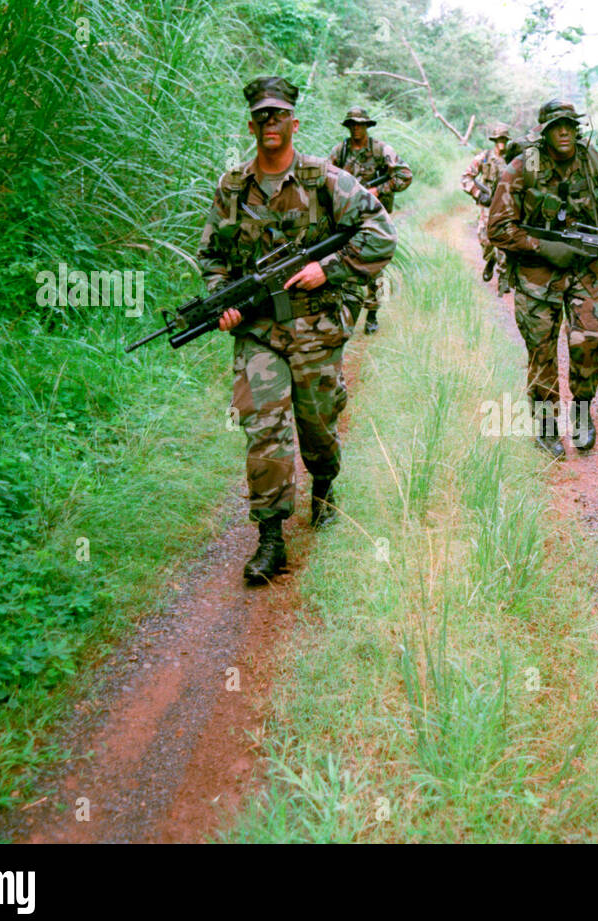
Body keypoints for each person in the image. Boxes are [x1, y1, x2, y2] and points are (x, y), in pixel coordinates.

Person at [198, 77, 396, 584]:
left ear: (294, 123)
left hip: (316, 326)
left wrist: (330, 269)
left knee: (318, 427)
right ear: (251, 125)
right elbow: (213, 258)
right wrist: (227, 301)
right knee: (264, 431)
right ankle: (270, 539)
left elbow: (380, 234)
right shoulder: (232, 187)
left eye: (278, 115)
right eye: (261, 117)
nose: (270, 124)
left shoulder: (324, 180)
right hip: (260, 332)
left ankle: (324, 488)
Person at [487, 100, 598, 457]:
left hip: (585, 269)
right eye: (556, 125)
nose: (564, 131)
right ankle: (547, 426)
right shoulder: (523, 168)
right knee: (542, 352)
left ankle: (581, 413)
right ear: (544, 130)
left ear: (577, 128)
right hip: (537, 276)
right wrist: (543, 247)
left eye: (569, 124)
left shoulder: (597, 164)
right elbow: (498, 228)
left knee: (591, 341)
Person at [328, 106, 413, 334]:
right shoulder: (340, 152)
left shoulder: (381, 149)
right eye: (352, 124)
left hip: (375, 218)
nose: (356, 128)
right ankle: (343, 313)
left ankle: (374, 313)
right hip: (347, 217)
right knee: (343, 261)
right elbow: (327, 179)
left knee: (378, 268)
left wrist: (378, 189)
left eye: (360, 124)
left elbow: (405, 175)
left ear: (367, 126)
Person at [461, 122, 512, 291]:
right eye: (499, 139)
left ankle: (503, 276)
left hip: (507, 204)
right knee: (486, 239)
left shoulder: (513, 159)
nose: (502, 143)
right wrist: (478, 193)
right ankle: (491, 259)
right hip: (488, 204)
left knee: (506, 239)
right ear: (494, 140)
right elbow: (466, 178)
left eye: (504, 139)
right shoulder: (484, 158)